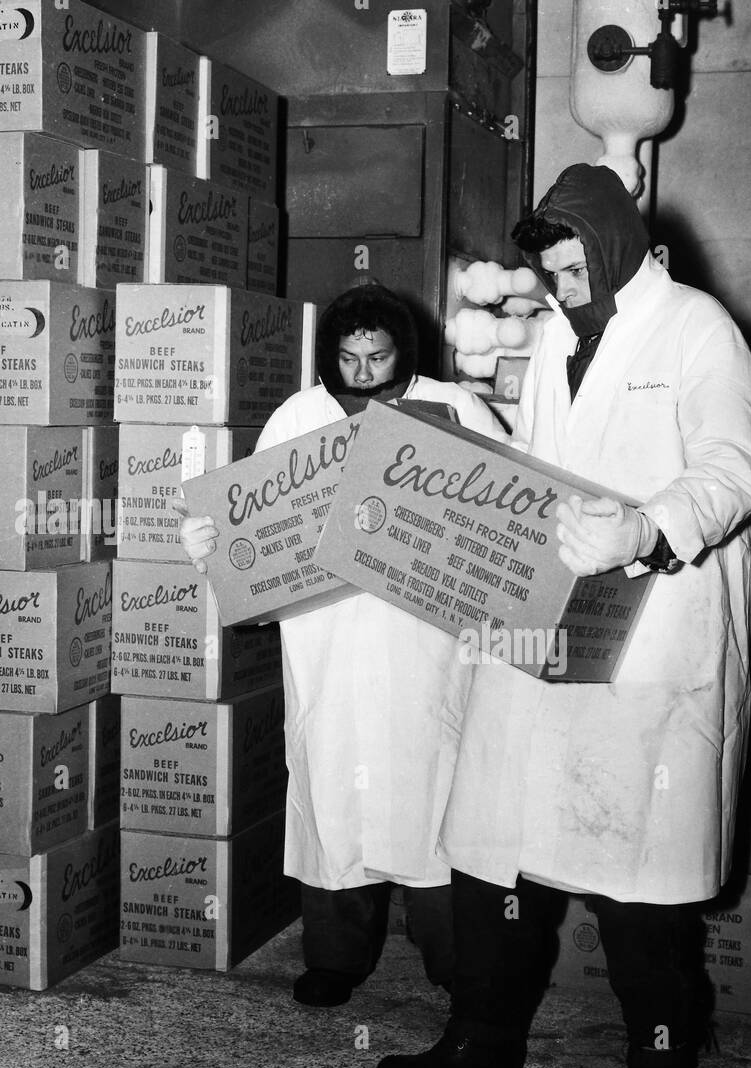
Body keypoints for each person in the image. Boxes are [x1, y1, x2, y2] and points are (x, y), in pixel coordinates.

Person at [373, 165, 751, 1068]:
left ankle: (662, 1065)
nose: (559, 279)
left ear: (616, 245)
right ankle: (482, 1037)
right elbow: (531, 464)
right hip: (547, 628)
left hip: (651, 638)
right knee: (496, 851)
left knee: (644, 896)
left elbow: (739, 465)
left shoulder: (697, 330)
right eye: (546, 264)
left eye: (572, 257)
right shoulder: (552, 335)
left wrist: (644, 525)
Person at [177, 284, 508, 1007]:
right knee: (334, 792)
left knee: (436, 796)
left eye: (378, 356)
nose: (361, 371)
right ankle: (336, 956)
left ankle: (456, 963)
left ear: (406, 353)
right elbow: (256, 531)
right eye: (347, 357)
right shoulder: (299, 414)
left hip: (424, 641)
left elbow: (509, 516)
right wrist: (211, 551)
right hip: (327, 638)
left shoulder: (456, 406)